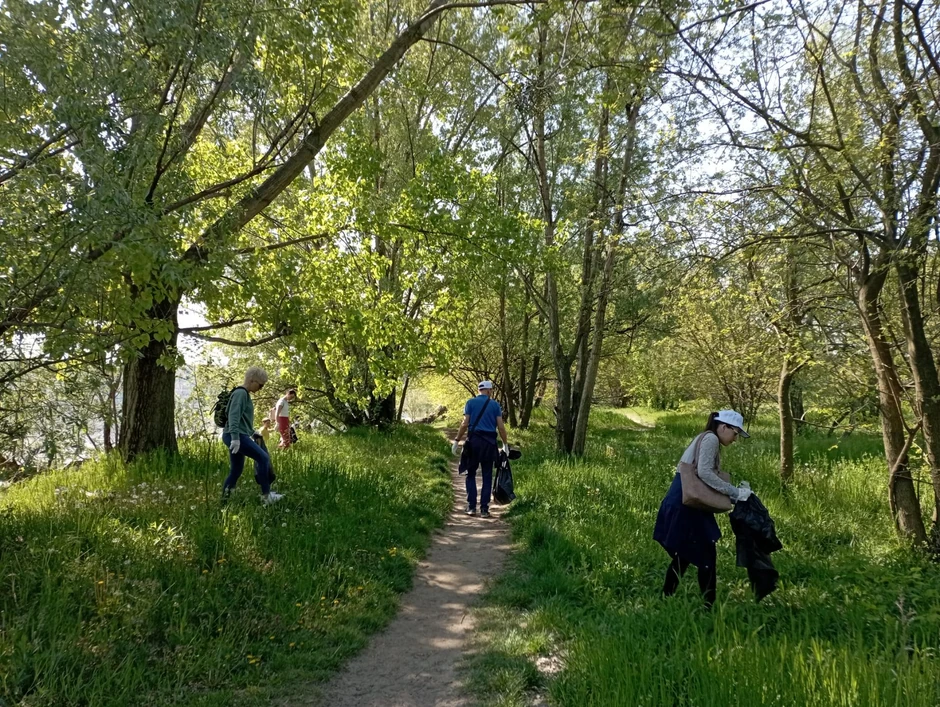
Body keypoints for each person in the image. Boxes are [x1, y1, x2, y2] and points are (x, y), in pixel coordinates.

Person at [653, 410, 751, 607]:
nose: (735, 439)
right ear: (724, 427)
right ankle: (708, 607)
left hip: (684, 502)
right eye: (735, 434)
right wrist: (735, 493)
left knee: (686, 553)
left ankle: (666, 598)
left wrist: (734, 496)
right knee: (706, 553)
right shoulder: (711, 440)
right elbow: (704, 473)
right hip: (687, 506)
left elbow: (704, 481)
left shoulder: (705, 438)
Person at [221, 366, 283, 505]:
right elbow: (234, 416)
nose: (261, 388)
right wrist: (236, 438)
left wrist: (251, 431)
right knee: (263, 458)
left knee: (236, 470)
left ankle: (224, 500)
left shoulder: (243, 393)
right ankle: (266, 496)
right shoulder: (241, 394)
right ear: (252, 380)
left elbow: (242, 418)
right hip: (235, 436)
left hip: (236, 434)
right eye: (260, 385)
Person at [451, 380, 509, 518]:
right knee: (487, 475)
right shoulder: (495, 405)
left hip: (474, 443)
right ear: (488, 391)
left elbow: (465, 424)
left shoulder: (470, 403)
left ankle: (471, 507)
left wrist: (457, 440)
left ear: (479, 390)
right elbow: (500, 427)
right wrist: (505, 444)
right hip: (489, 444)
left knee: (470, 474)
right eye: (491, 390)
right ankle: (484, 509)